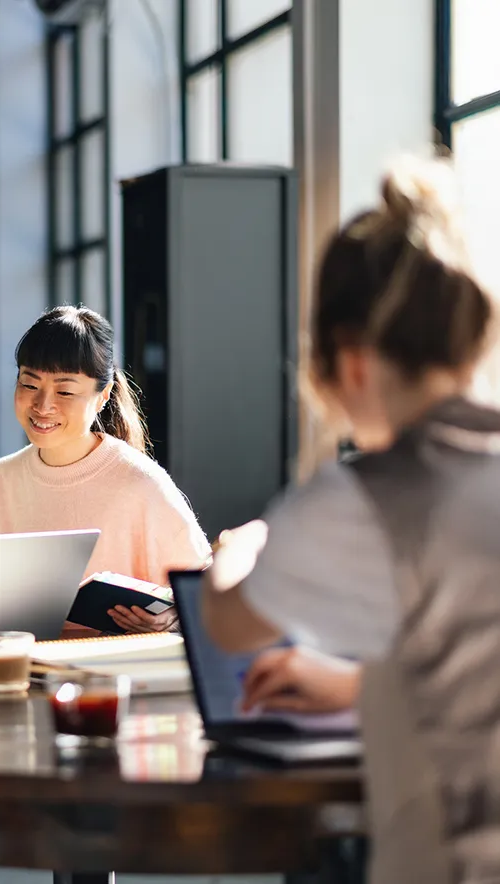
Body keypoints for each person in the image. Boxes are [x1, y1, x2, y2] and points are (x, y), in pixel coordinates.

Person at [202, 157, 500, 883]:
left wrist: (239, 552)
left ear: (353, 363)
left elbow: (230, 625)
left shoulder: (372, 493)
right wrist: (360, 684)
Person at [0, 306, 210, 633]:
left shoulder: (140, 483)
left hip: (113, 671)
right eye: (29, 384)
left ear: (102, 396)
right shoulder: (2, 479)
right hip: (21, 669)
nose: (42, 405)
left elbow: (204, 590)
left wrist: (172, 617)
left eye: (65, 391)